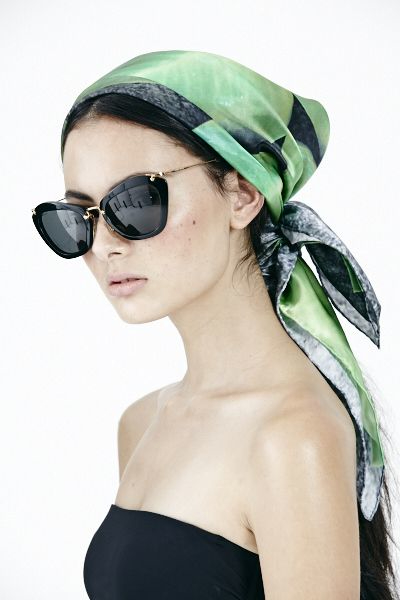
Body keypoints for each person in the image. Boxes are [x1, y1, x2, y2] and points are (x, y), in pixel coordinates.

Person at [32, 50, 398, 599]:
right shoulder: (141, 423)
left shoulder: (293, 436)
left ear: (243, 194)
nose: (103, 245)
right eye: (77, 217)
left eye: (136, 202)